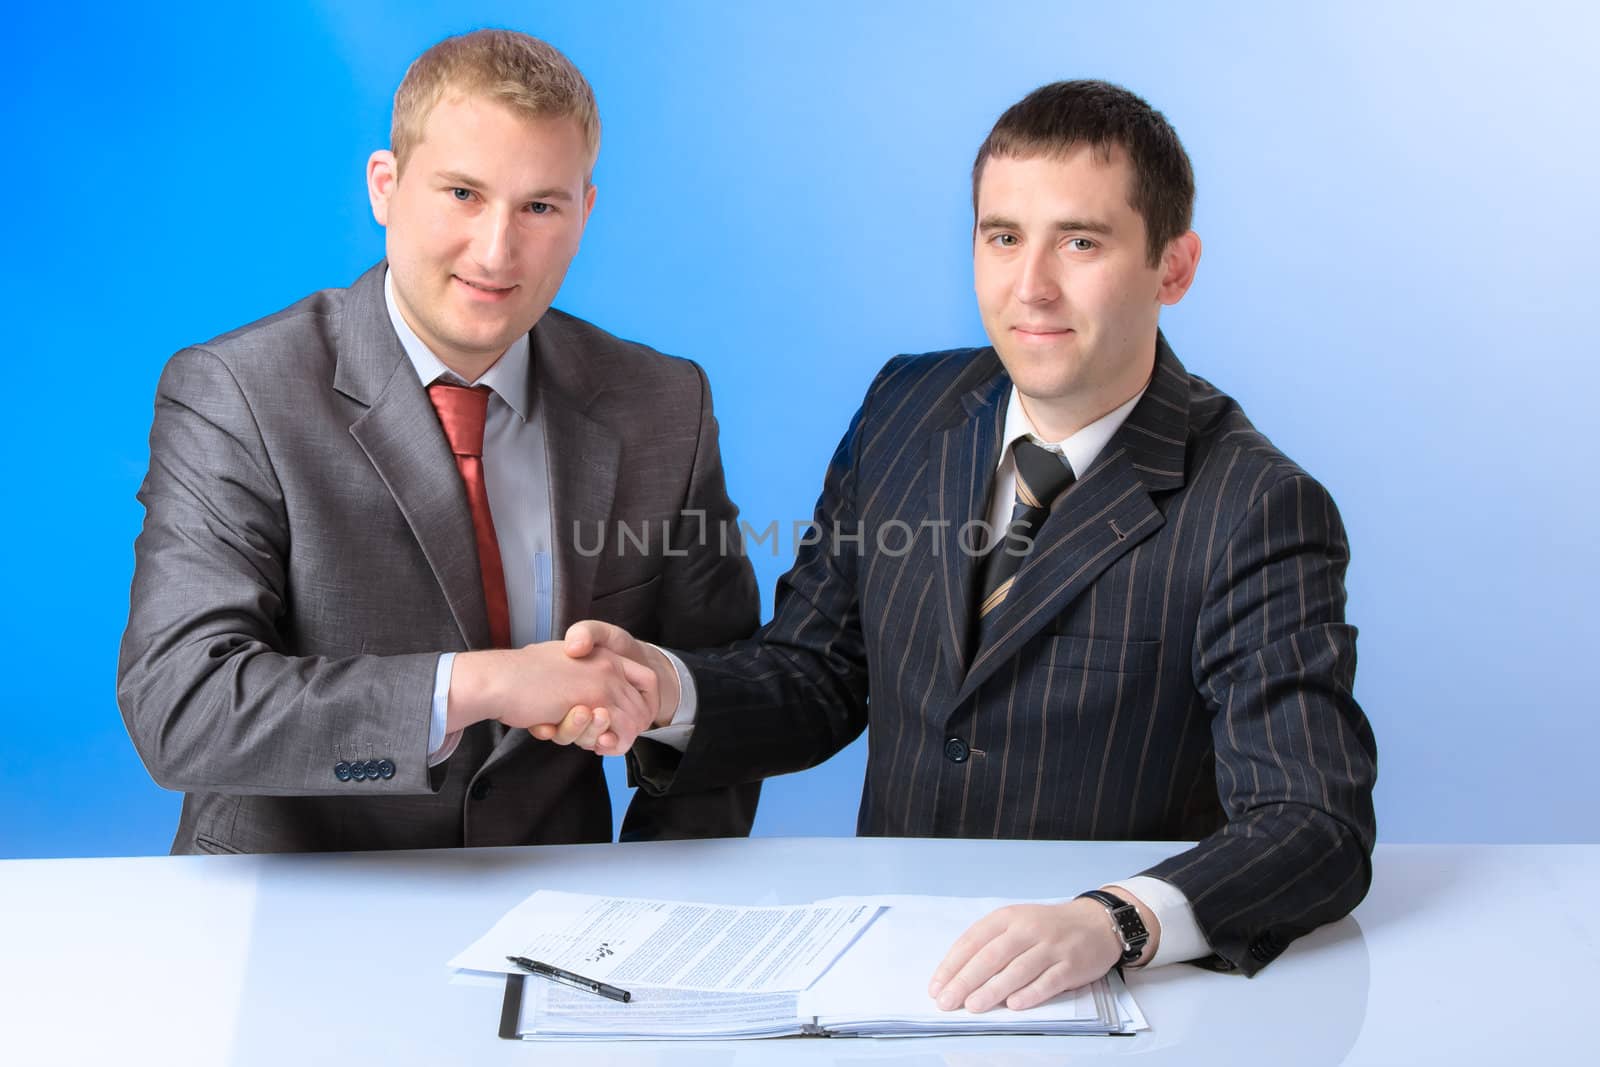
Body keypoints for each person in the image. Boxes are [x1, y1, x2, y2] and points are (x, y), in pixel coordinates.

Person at [544, 80, 1378, 1009]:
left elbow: (1314, 823)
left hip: (1110, 1000)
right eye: (1003, 236)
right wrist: (669, 691)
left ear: (1173, 267)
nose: (1033, 286)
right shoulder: (907, 408)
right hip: (893, 976)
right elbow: (818, 676)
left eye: (1081, 241)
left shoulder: (1258, 505)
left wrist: (1115, 921)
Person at [116, 29, 760, 854]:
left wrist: (658, 896)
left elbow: (727, 690)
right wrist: (482, 685)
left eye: (539, 206)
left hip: (557, 912)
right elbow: (183, 706)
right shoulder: (238, 393)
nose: (497, 251)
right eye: (462, 193)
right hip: (291, 908)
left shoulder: (662, 402)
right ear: (385, 186)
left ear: (584, 211)